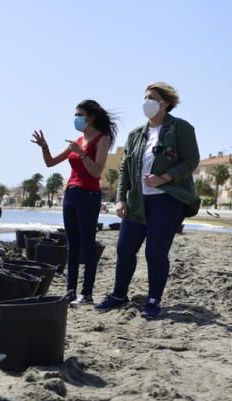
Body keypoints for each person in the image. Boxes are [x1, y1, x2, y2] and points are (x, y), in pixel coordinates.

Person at [95, 82, 200, 319]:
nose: (146, 102)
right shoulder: (135, 135)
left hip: (168, 201)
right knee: (124, 248)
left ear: (165, 103)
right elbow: (124, 169)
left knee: (155, 252)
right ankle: (119, 294)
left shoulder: (181, 128)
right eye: (145, 97)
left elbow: (191, 160)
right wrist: (121, 199)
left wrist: (164, 177)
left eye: (152, 97)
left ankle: (153, 301)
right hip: (137, 202)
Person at [31, 100, 117, 304]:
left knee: (87, 245)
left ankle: (86, 294)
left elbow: (96, 172)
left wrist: (81, 153)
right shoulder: (77, 140)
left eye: (79, 114)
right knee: (72, 245)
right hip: (70, 195)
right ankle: (70, 291)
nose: (76, 118)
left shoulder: (102, 139)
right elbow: (50, 162)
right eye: (75, 115)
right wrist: (44, 147)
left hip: (89, 196)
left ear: (91, 116)